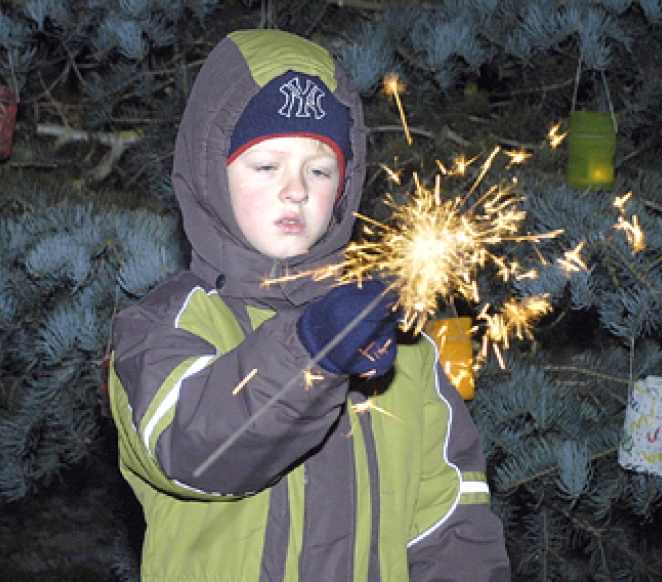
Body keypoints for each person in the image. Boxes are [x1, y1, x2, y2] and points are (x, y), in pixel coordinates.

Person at [107, 29, 511, 581]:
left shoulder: (404, 350)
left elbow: (451, 523)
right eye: (266, 166)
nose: (295, 189)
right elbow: (199, 450)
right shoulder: (162, 326)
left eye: (318, 170)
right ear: (212, 174)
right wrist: (311, 350)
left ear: (343, 187)